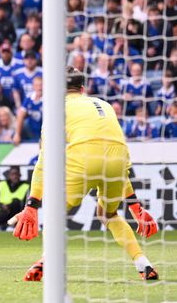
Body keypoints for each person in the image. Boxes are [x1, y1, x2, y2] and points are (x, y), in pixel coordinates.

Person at [11, 66, 159, 282]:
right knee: (108, 215)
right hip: (119, 162)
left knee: (55, 212)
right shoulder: (105, 105)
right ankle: (143, 263)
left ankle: (48, 259)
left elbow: (44, 160)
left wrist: (32, 205)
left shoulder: (57, 108)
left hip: (84, 160)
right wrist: (135, 206)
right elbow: (113, 150)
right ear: (82, 87)